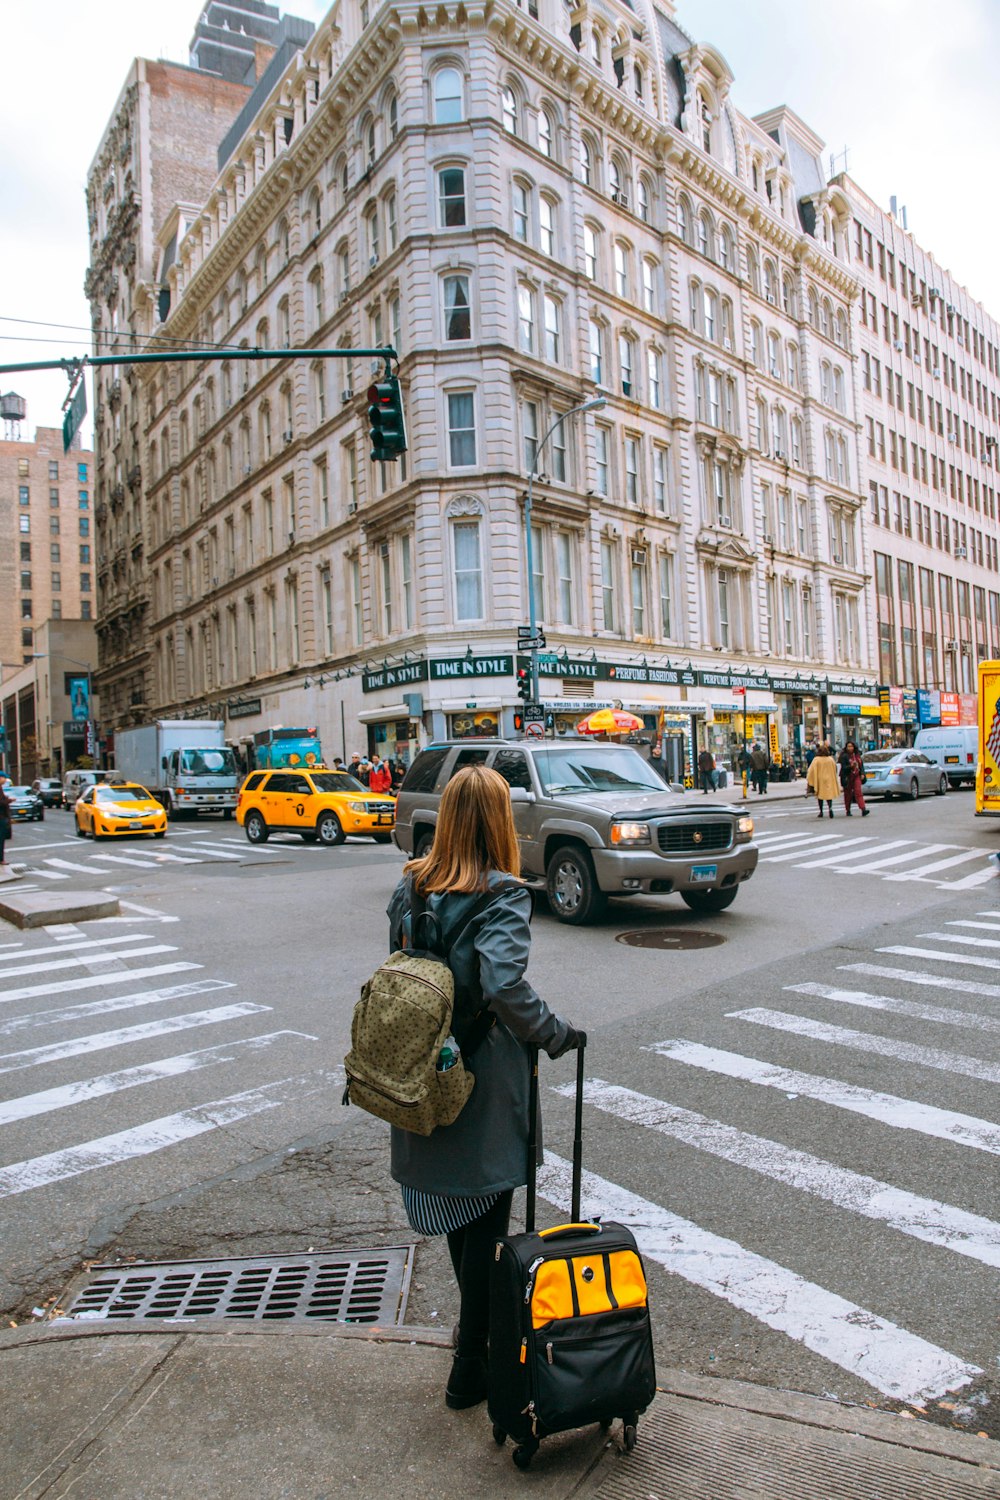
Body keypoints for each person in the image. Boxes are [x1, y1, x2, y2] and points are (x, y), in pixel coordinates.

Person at [387, 764, 582, 1412]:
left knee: (458, 1213)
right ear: (498, 823)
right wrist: (553, 1032)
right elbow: (502, 985)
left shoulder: (411, 886)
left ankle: (477, 1341)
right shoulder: (502, 894)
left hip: (422, 1068)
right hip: (481, 1078)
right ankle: (474, 1366)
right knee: (489, 1215)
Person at [806, 742, 840, 819]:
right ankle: (830, 808)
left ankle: (821, 811)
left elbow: (811, 770)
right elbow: (835, 768)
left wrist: (809, 778)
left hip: (820, 779)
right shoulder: (830, 759)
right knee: (829, 796)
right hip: (829, 779)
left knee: (820, 796)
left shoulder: (816, 760)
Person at [838, 739, 870, 817]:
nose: (850, 748)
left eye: (851, 746)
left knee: (858, 792)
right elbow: (844, 768)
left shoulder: (857, 755)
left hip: (856, 776)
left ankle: (863, 809)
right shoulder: (844, 756)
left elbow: (861, 765)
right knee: (848, 794)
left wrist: (862, 773)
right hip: (848, 776)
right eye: (848, 746)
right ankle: (848, 810)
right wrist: (851, 766)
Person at [0, 781, 10, 871]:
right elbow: (1, 802)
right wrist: (8, 800)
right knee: (1, 838)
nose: (5, 780)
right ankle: (1, 859)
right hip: (1, 817)